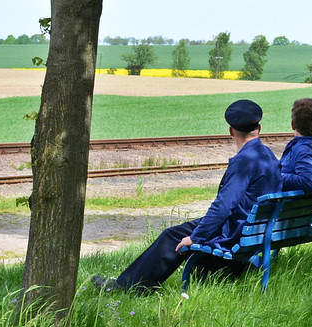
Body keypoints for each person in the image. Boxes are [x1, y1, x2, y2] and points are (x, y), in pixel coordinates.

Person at [91, 99, 280, 293]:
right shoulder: (267, 154)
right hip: (255, 227)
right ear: (259, 128)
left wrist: (196, 237)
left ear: (231, 131)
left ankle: (127, 287)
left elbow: (224, 206)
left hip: (236, 229)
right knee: (186, 232)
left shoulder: (244, 161)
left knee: (172, 236)